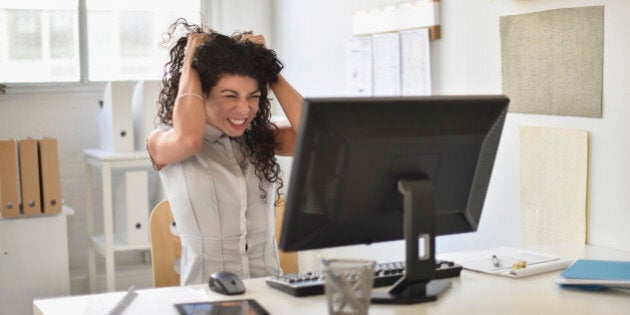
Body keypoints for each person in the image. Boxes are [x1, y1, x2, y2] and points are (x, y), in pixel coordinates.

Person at [146, 19, 303, 285]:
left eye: (253, 96)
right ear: (200, 93)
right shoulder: (163, 140)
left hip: (270, 292)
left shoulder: (259, 137)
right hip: (206, 298)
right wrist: (191, 63)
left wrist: (269, 69)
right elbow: (189, 139)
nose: (244, 110)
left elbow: (314, 136)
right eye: (229, 96)